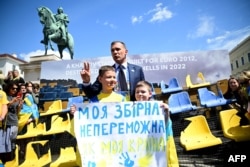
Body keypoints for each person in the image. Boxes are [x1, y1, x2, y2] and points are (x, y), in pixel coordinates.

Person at [134, 81, 179, 167]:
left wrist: (166, 112)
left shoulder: (159, 107)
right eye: (137, 92)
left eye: (143, 92)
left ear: (150, 93)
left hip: (163, 141)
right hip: (145, 144)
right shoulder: (132, 108)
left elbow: (165, 124)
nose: (140, 94)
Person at [1, 82, 22, 162]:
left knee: (11, 139)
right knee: (5, 141)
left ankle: (12, 157)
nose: (15, 90)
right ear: (9, 88)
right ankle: (6, 159)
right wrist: (12, 102)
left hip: (13, 121)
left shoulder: (16, 98)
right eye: (13, 88)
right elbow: (4, 106)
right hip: (5, 121)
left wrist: (19, 105)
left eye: (16, 89)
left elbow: (17, 112)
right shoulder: (5, 96)